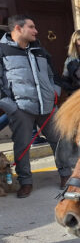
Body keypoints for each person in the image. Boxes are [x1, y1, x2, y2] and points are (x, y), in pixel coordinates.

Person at [0, 15, 72, 198]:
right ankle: (25, 182)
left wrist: (55, 93)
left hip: (47, 106)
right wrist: (11, 107)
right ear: (18, 28)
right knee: (22, 145)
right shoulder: (2, 50)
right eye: (31, 27)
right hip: (21, 109)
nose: (36, 31)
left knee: (59, 141)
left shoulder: (40, 49)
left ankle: (65, 174)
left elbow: (53, 74)